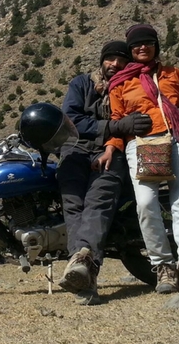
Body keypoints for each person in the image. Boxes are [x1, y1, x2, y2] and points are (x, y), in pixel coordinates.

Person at [99, 23, 179, 296]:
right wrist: (111, 148)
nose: (142, 47)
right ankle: (162, 265)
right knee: (146, 204)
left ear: (156, 46)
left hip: (178, 140)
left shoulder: (173, 74)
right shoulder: (120, 83)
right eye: (137, 44)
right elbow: (116, 121)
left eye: (148, 43)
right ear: (130, 49)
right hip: (141, 144)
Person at [56, 40, 152, 304]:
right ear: (102, 60)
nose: (115, 65)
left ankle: (82, 269)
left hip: (113, 151)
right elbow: (72, 119)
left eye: (121, 62)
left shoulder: (130, 87)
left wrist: (116, 132)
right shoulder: (81, 83)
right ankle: (84, 268)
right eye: (111, 59)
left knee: (98, 202)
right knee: (73, 204)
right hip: (74, 150)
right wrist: (115, 125)